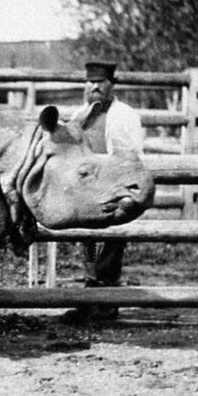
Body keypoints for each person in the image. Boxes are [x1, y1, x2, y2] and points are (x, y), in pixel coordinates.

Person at [62, 60, 144, 323]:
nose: (95, 87)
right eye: (90, 82)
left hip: (114, 185)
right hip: (87, 189)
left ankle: (107, 300)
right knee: (87, 240)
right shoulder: (80, 115)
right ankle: (90, 295)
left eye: (100, 82)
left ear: (111, 85)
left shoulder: (125, 115)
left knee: (112, 238)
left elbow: (133, 154)